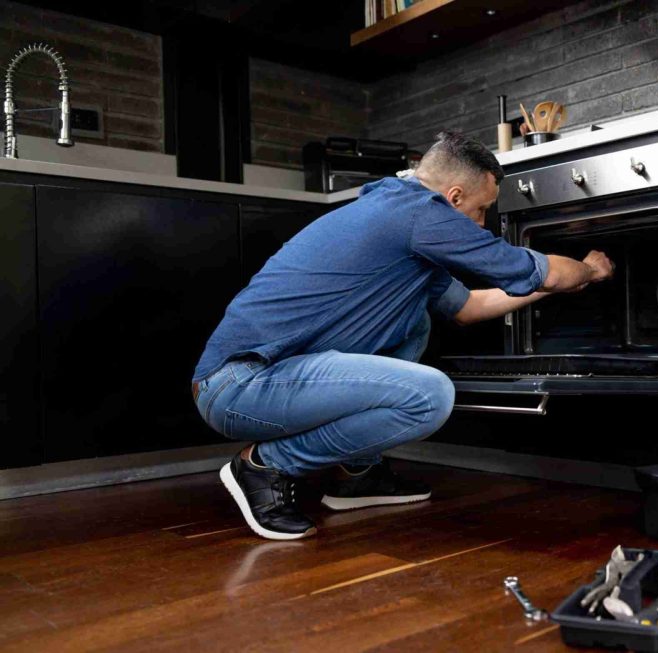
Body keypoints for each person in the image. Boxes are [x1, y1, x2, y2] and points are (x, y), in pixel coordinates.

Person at [191, 130, 615, 540]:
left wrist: (543, 292)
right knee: (430, 396)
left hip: (262, 381)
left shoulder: (400, 218)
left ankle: (358, 473)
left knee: (415, 321)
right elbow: (536, 269)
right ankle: (265, 466)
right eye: (483, 209)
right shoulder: (419, 213)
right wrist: (589, 269)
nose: (483, 225)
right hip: (239, 387)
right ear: (453, 198)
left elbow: (469, 307)